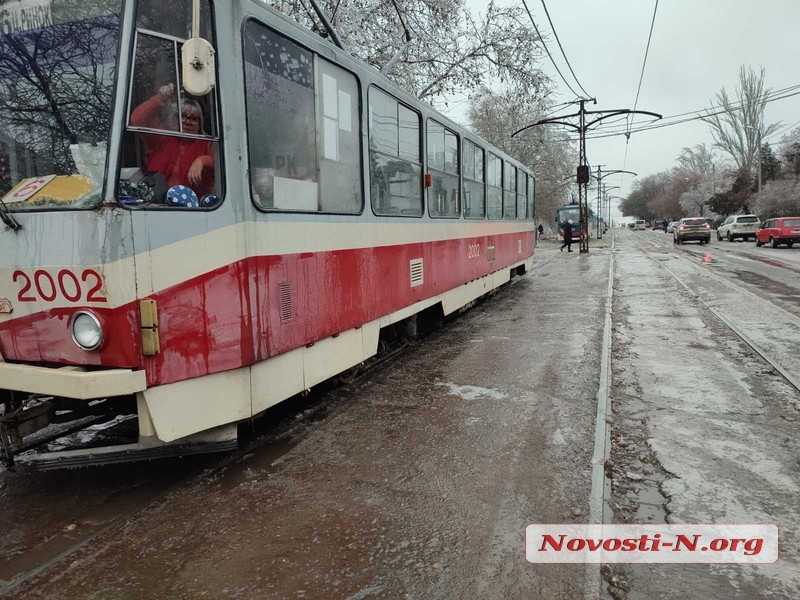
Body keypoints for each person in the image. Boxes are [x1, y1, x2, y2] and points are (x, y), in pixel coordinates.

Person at [130, 83, 214, 199]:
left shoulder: (206, 143)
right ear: (173, 119)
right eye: (182, 116)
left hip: (195, 210)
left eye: (194, 119)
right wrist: (160, 99)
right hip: (155, 205)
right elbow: (137, 120)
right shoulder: (162, 137)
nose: (188, 122)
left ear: (200, 125)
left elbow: (224, 162)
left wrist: (202, 160)